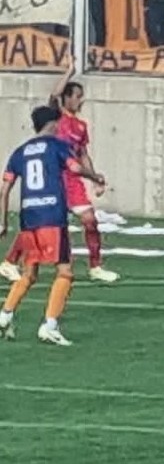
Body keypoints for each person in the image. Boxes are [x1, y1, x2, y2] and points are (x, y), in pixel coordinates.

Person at [0, 105, 106, 346]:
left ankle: (4, 316)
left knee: (29, 273)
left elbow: (4, 189)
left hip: (29, 219)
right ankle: (50, 325)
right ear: (52, 124)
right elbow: (76, 167)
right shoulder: (57, 145)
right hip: (51, 216)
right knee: (65, 272)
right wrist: (95, 176)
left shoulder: (20, 151)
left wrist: (3, 221)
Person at [1, 70, 116, 285]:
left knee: (90, 221)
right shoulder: (57, 118)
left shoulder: (81, 126)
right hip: (54, 178)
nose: (81, 100)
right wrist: (69, 71)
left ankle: (96, 266)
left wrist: (95, 179)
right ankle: (10, 261)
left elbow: (82, 155)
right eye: (78, 96)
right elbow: (54, 96)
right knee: (42, 222)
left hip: (73, 180)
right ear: (68, 97)